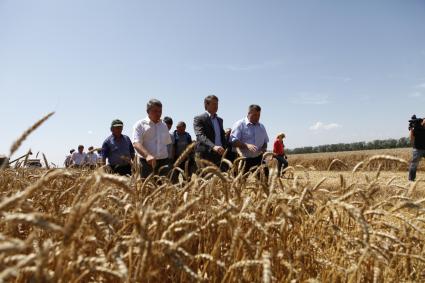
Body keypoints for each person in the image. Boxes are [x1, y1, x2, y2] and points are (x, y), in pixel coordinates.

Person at [133, 99, 172, 178]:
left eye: (160, 111)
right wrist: (147, 155)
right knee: (148, 188)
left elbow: (167, 143)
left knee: (164, 188)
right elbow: (136, 143)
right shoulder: (140, 125)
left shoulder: (164, 125)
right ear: (148, 111)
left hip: (163, 162)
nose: (158, 114)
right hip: (146, 162)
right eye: (155, 111)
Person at [231, 104, 269, 173]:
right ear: (248, 113)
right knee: (240, 182)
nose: (257, 117)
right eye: (254, 115)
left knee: (265, 181)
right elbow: (233, 141)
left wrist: (264, 148)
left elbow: (265, 142)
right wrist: (247, 145)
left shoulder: (262, 127)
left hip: (259, 159)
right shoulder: (239, 124)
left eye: (258, 115)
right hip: (243, 160)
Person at [193, 95, 227, 168]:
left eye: (217, 104)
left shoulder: (220, 120)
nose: (216, 106)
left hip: (219, 154)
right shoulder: (199, 118)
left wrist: (224, 147)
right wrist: (213, 146)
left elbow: (221, 136)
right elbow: (200, 135)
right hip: (205, 154)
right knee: (205, 177)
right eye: (214, 104)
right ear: (206, 105)